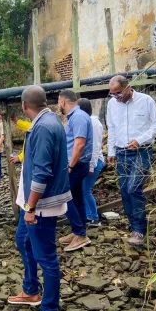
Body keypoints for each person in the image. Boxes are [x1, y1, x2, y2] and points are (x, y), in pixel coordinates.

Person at [8, 85, 71, 311]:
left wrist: (31, 207)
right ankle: (31, 290)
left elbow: (43, 171)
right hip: (32, 203)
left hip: (41, 205)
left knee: (47, 258)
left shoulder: (44, 127)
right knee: (22, 241)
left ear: (25, 106)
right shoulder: (45, 121)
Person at [106, 75, 156, 246]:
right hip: (121, 152)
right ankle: (134, 226)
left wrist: (141, 139)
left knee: (133, 188)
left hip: (141, 151)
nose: (116, 97)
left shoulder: (146, 101)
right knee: (124, 191)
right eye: (112, 94)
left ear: (128, 87)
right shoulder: (111, 105)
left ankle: (139, 229)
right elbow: (112, 128)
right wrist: (111, 151)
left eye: (118, 93)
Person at [58, 90, 93, 252]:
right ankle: (78, 231)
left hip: (76, 165)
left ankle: (80, 234)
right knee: (77, 197)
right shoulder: (78, 116)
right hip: (78, 164)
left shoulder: (78, 117)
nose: (59, 105)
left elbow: (79, 144)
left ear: (63, 102)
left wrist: (70, 166)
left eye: (59, 102)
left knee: (65, 198)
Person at [77, 98, 105, 228]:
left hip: (94, 161)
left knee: (85, 190)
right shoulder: (89, 121)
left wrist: (91, 166)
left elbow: (95, 146)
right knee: (83, 190)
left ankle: (93, 218)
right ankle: (88, 215)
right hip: (90, 161)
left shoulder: (93, 123)